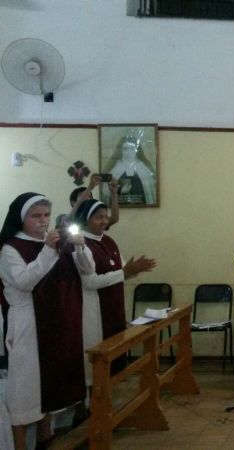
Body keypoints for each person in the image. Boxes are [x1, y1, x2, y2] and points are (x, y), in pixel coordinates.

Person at [0, 193, 93, 450]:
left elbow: (87, 272)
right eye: (35, 216)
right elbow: (24, 281)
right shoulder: (10, 248)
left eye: (46, 216)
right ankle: (20, 444)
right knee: (25, 385)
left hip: (55, 320)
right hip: (28, 323)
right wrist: (49, 250)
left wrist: (80, 247)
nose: (42, 221)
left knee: (50, 382)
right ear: (21, 219)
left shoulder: (54, 242)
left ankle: (44, 434)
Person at [74, 199, 156, 388]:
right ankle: (91, 404)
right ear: (86, 219)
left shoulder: (108, 241)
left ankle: (108, 398)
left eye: (105, 217)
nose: (104, 221)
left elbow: (121, 273)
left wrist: (134, 270)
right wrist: (125, 272)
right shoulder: (80, 244)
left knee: (114, 354)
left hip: (113, 306)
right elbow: (89, 282)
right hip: (93, 309)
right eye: (98, 217)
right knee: (96, 357)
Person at [104, 134, 157, 205]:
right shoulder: (114, 168)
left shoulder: (144, 168)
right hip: (119, 206)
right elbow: (105, 191)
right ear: (121, 150)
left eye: (132, 148)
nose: (129, 152)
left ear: (136, 150)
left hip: (141, 206)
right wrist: (120, 190)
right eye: (125, 149)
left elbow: (150, 193)